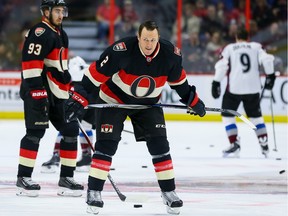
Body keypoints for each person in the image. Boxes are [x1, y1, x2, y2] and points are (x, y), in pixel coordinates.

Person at [78, 20, 206, 215]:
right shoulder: (121, 50)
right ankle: (94, 192)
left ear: (159, 38)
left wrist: (194, 101)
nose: (149, 44)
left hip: (147, 104)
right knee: (106, 145)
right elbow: (93, 75)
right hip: (114, 100)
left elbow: (181, 85)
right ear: (138, 37)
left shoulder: (169, 55)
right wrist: (77, 96)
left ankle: (169, 192)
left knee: (160, 145)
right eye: (145, 39)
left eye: (153, 40)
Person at [16, 0, 88, 197]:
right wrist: (37, 93)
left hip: (57, 93)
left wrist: (68, 89)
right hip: (38, 92)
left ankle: (66, 177)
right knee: (35, 133)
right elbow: (31, 66)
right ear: (46, 12)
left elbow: (60, 69)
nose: (60, 14)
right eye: (56, 10)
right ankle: (23, 178)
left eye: (62, 10)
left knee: (71, 129)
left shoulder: (60, 34)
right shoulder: (40, 33)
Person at [211, 28, 275, 158]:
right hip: (253, 88)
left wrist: (216, 82)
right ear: (248, 37)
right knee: (256, 118)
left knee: (228, 116)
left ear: (236, 37)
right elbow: (267, 60)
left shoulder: (230, 48)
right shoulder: (256, 47)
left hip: (234, 88)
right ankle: (264, 143)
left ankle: (234, 143)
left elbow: (222, 66)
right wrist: (271, 75)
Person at [41, 56, 95, 173]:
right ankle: (87, 157)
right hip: (93, 96)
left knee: (67, 125)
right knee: (86, 126)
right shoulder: (86, 67)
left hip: (77, 92)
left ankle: (56, 157)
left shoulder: (69, 66)